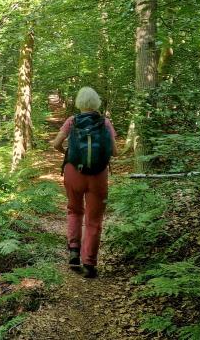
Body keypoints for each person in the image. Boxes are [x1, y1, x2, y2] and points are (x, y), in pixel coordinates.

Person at [52, 87, 117, 279]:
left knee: (74, 210)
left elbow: (56, 144)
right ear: (96, 102)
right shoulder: (105, 123)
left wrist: (70, 154)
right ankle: (89, 264)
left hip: (74, 172)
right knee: (94, 219)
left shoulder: (72, 121)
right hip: (98, 175)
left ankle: (73, 251)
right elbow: (115, 152)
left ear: (79, 102)